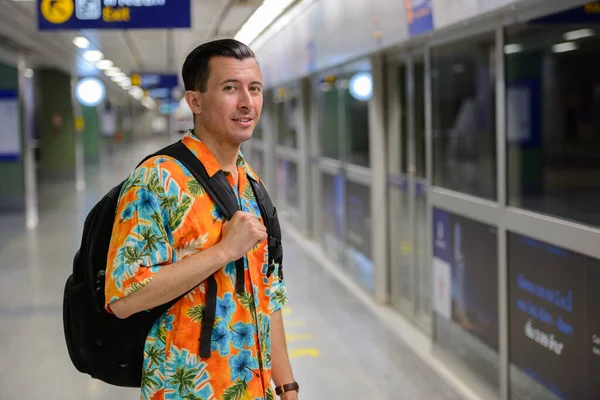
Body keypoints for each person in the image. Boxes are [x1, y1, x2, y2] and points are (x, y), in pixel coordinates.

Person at [104, 39, 298, 400]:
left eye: (254, 89)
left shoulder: (251, 183)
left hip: (254, 389)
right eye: (230, 88)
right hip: (188, 390)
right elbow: (124, 298)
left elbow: (268, 294)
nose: (247, 102)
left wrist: (286, 384)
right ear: (195, 101)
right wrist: (224, 251)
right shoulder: (157, 179)